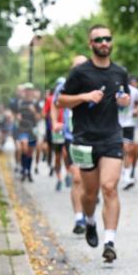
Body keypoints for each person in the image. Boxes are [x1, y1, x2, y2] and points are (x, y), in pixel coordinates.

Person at [57, 25, 131, 264]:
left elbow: (124, 97)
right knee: (89, 193)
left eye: (107, 38)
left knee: (109, 187)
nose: (104, 42)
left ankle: (109, 242)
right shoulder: (80, 73)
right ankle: (89, 221)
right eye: (98, 39)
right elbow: (61, 101)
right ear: (91, 44)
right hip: (85, 138)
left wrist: (124, 100)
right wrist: (84, 97)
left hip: (111, 137)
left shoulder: (120, 72)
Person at [55, 55, 89, 234]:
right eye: (76, 66)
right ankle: (79, 218)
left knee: (90, 181)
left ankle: (89, 213)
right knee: (77, 177)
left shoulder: (96, 83)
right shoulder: (65, 86)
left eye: (83, 65)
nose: (80, 68)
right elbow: (56, 104)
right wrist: (55, 121)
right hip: (73, 137)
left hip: (93, 138)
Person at [118, 75, 138, 190]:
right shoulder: (115, 90)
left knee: (127, 149)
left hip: (129, 124)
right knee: (119, 150)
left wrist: (137, 111)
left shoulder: (137, 93)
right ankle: (120, 171)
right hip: (115, 124)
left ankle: (127, 175)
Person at [15, 83, 40, 182]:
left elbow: (39, 118)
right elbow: (16, 115)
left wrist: (34, 111)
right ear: (24, 92)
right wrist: (17, 118)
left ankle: (28, 171)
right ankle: (23, 168)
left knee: (30, 153)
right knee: (24, 148)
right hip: (22, 129)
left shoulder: (35, 103)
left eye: (30, 90)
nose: (28, 92)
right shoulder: (20, 103)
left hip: (32, 130)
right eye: (27, 90)